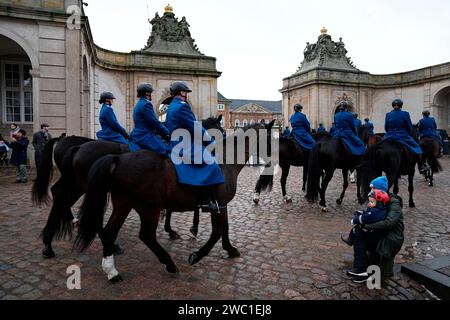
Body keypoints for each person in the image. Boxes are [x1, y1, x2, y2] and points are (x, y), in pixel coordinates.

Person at [166, 81, 224, 213]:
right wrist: (210, 141)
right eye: (186, 92)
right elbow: (195, 127)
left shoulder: (171, 106)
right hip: (184, 145)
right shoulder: (182, 107)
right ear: (181, 92)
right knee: (211, 163)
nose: (186, 95)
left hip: (176, 143)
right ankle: (205, 201)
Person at [346, 176, 405, 283]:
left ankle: (361, 269)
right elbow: (373, 215)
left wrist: (367, 226)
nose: (371, 190)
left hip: (390, 239)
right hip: (381, 233)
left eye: (373, 188)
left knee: (359, 232)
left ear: (380, 189)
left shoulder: (393, 202)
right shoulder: (378, 198)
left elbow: (388, 223)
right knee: (358, 231)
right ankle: (360, 268)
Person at [384, 99, 425, 173]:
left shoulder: (388, 114)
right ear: (401, 106)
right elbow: (409, 127)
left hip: (389, 136)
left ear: (393, 106)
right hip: (402, 135)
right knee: (417, 147)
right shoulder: (405, 114)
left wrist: (390, 133)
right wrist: (407, 133)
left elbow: (386, 127)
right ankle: (421, 166)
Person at [129, 83, 170, 154]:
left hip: (137, 134)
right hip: (145, 135)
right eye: (151, 93)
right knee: (164, 150)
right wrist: (167, 132)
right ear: (147, 93)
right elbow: (154, 122)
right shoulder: (146, 104)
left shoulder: (139, 103)